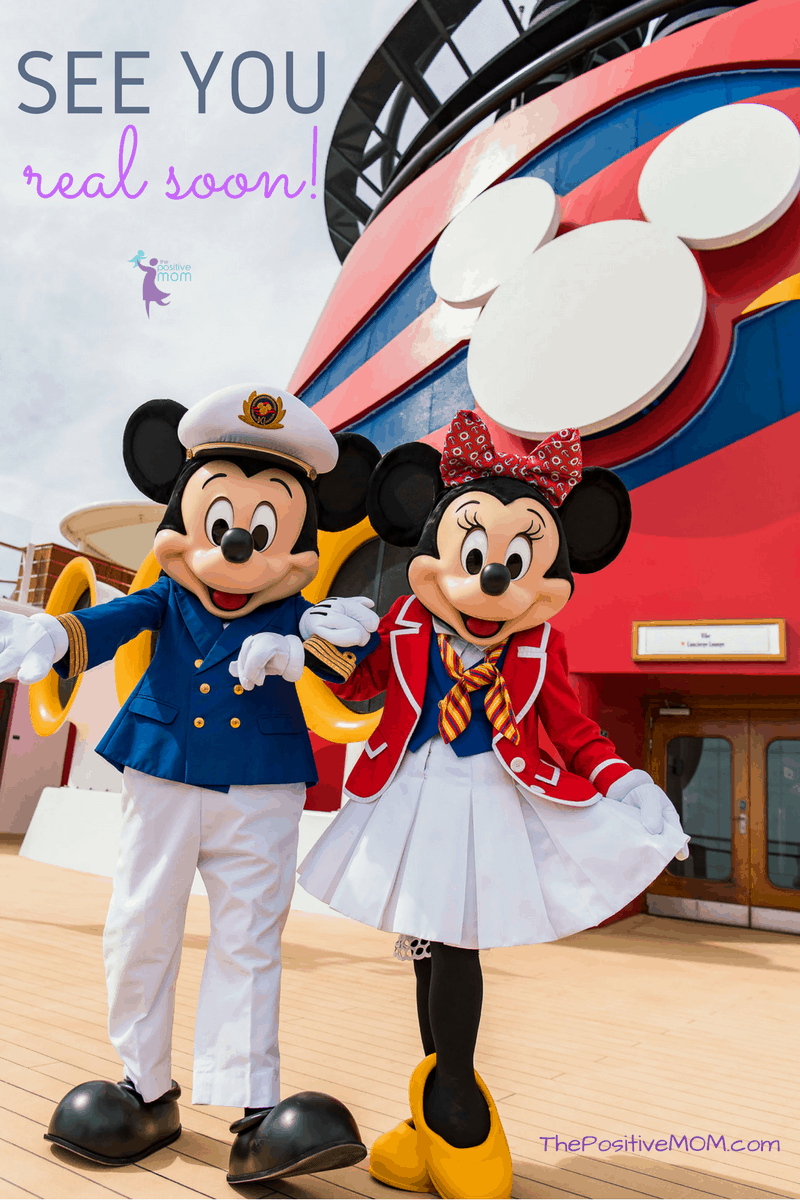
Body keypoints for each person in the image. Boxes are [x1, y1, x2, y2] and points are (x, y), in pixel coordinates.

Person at [298, 409, 690, 1199]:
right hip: (412, 790)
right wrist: (330, 646)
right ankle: (433, 1110)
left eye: (517, 561)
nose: (493, 578)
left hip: (488, 794)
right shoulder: (410, 621)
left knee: (458, 942)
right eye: (476, 554)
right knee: (424, 944)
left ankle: (457, 1102)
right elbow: (362, 684)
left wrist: (625, 783)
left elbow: (571, 731)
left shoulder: (540, 644)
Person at [0, 384, 381, 1185]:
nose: (239, 547)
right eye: (219, 522)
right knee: (140, 925)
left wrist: (317, 641)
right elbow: (122, 617)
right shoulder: (170, 594)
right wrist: (59, 630)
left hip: (262, 786)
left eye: (265, 527)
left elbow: (346, 667)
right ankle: (145, 1085)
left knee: (249, 940)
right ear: (181, 520)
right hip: (164, 774)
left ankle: (250, 1108)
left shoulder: (303, 613)